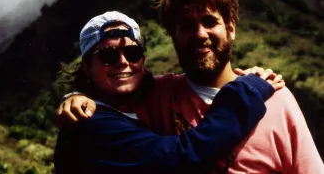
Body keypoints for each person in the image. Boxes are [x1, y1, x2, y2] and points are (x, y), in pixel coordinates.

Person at [57, 0, 324, 173]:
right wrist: (77, 99)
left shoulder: (277, 99)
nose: (200, 34)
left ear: (231, 28)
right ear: (173, 35)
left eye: (210, 21)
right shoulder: (158, 97)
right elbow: (181, 153)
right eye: (186, 25)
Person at [54, 11, 281, 174]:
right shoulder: (91, 123)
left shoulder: (143, 105)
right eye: (108, 55)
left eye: (132, 53)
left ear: (142, 61)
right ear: (87, 68)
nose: (122, 62)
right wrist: (247, 89)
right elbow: (183, 155)